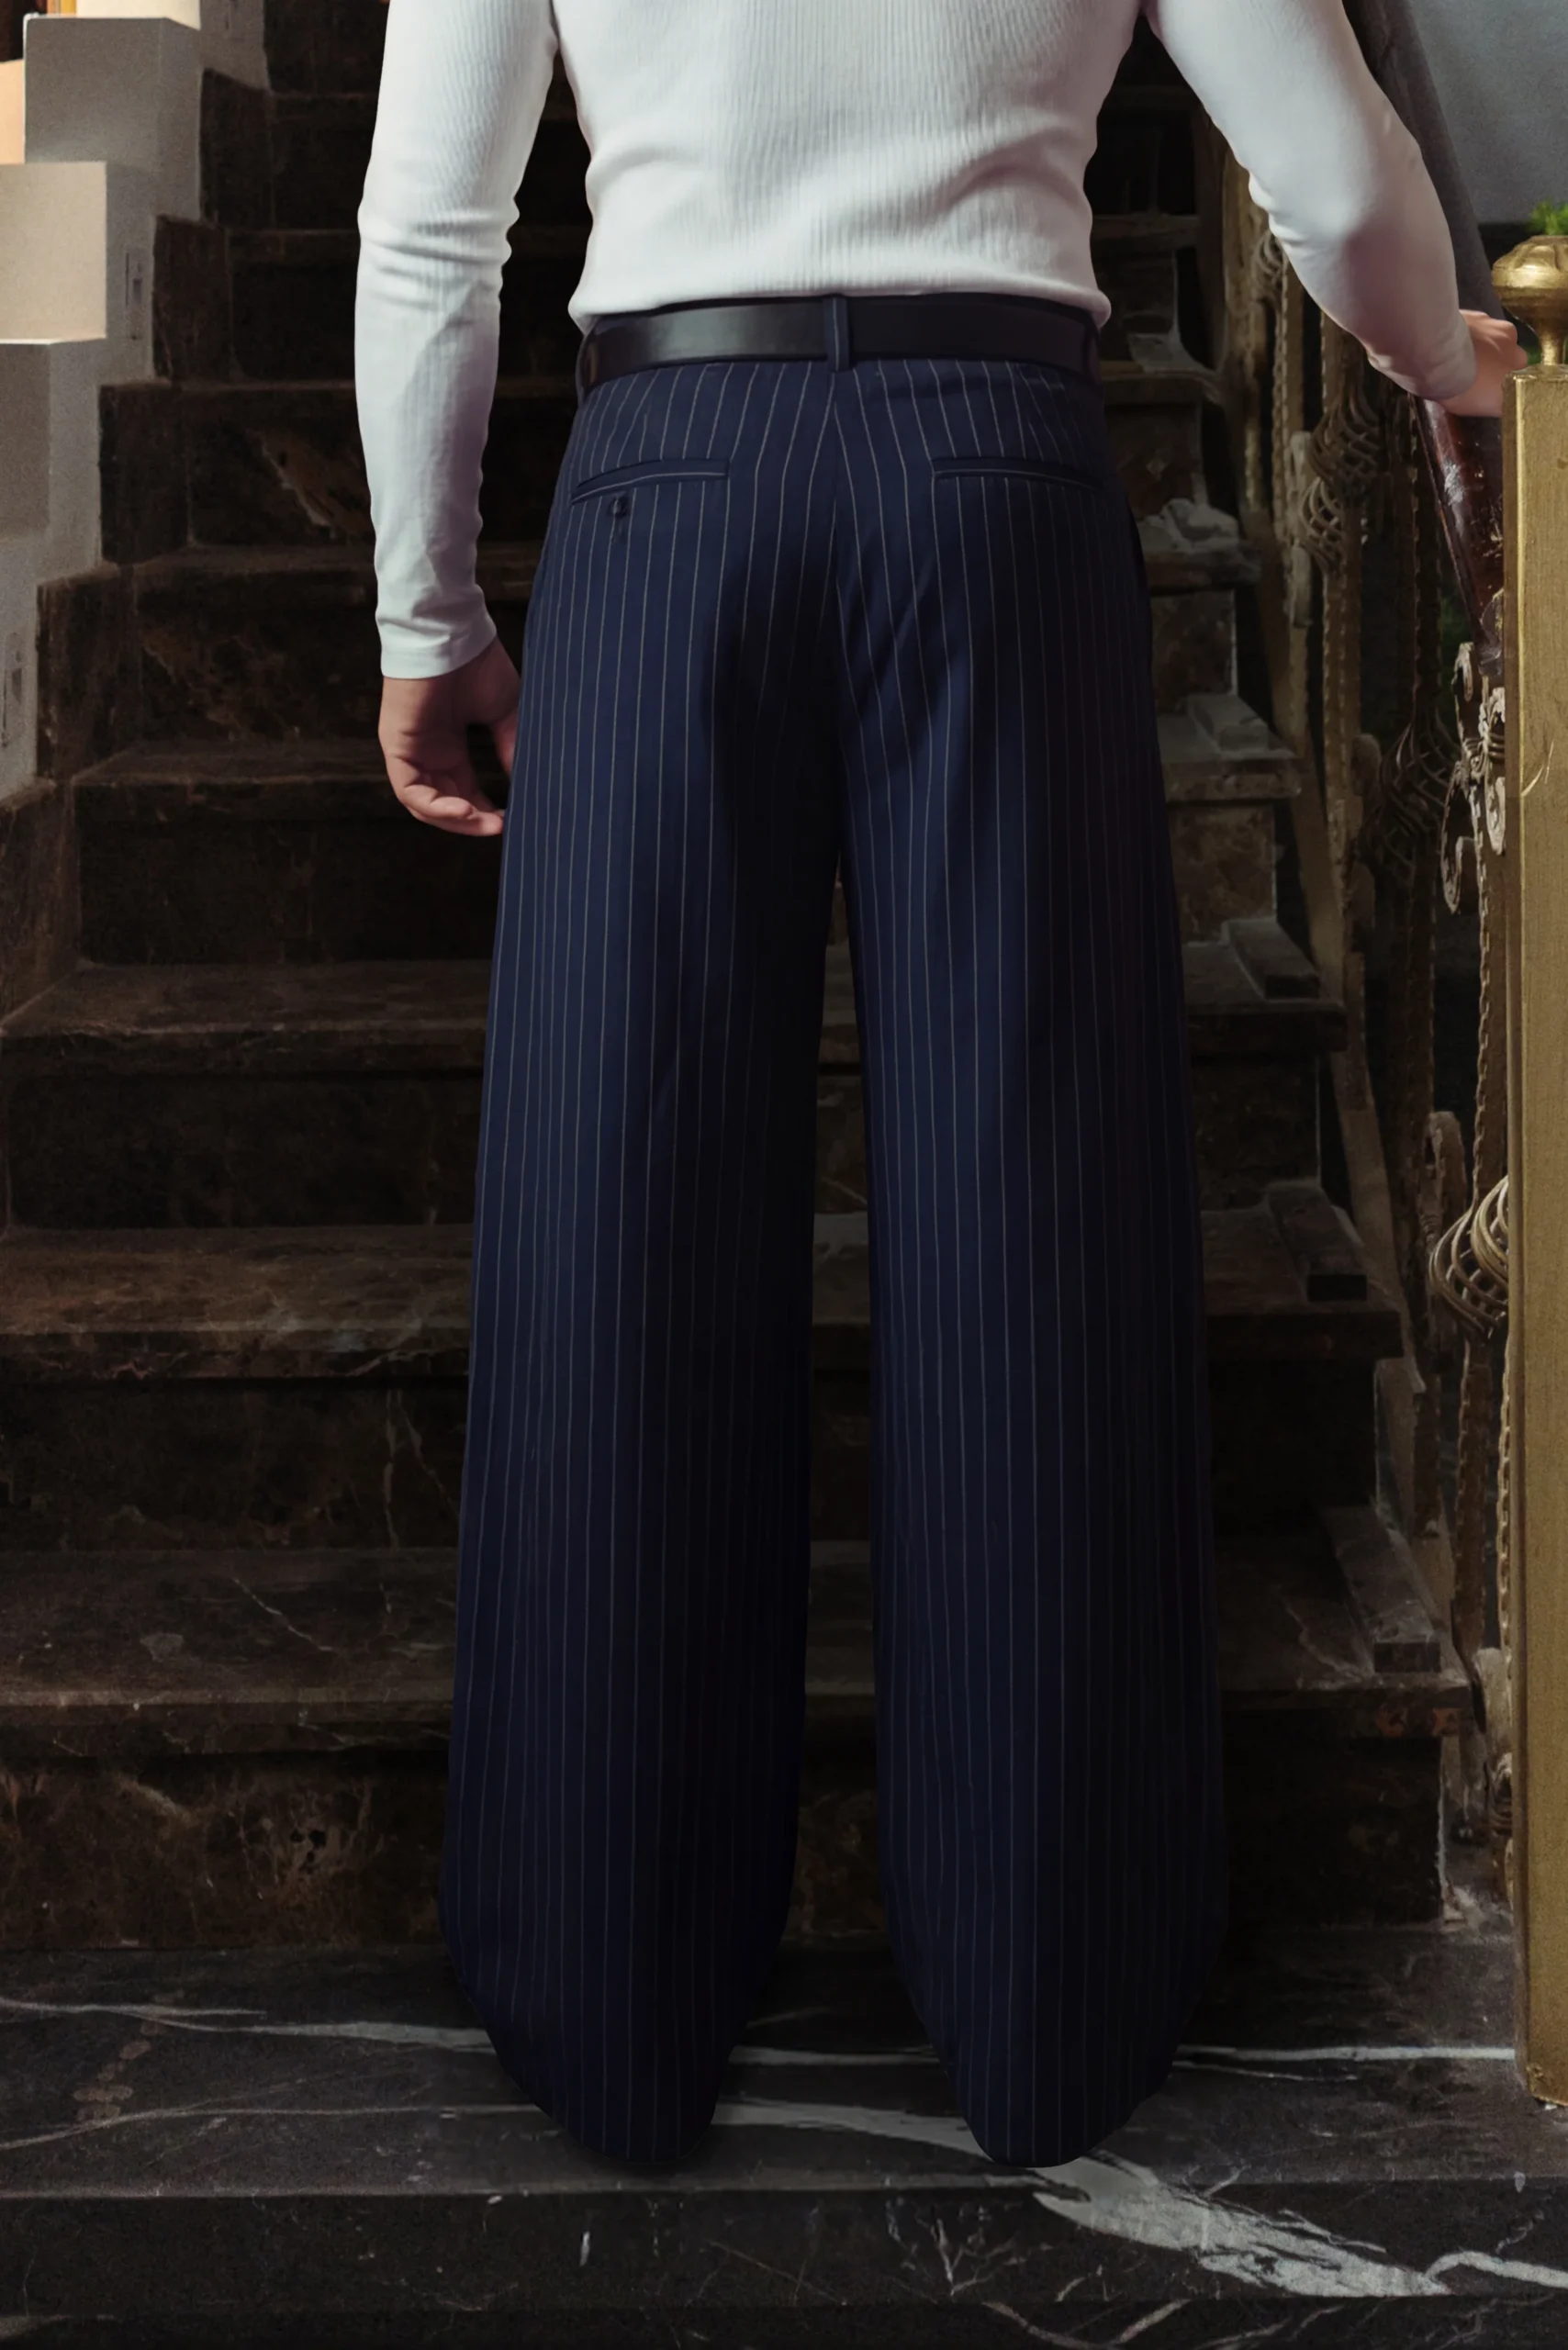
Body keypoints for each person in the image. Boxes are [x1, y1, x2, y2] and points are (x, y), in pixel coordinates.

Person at [353, 0, 1528, 2168]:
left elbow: (434, 225)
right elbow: (1330, 170)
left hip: (664, 478)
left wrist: (426, 612)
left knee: (618, 1225)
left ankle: (606, 1993)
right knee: (1031, 1216)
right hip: (994, 473)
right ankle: (1047, 1990)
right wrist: (1454, 366)